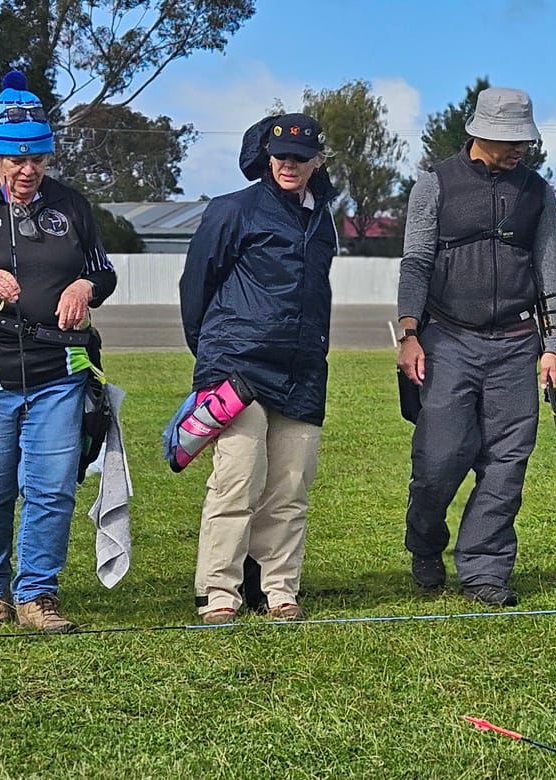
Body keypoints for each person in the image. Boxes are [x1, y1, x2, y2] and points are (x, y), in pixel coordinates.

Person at [0, 71, 117, 633]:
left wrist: (85, 286)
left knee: (52, 488)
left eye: (37, 158)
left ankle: (37, 593)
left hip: (60, 372)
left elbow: (103, 272)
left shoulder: (72, 206)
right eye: (16, 159)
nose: (27, 169)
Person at [396, 87, 556, 608]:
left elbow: (548, 269)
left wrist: (553, 344)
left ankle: (485, 570)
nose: (520, 149)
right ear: (480, 133)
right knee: (439, 459)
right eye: (510, 140)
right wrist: (408, 333)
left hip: (516, 344)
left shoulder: (538, 192)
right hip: (447, 339)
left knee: (506, 462)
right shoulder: (435, 184)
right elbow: (416, 262)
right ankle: (425, 541)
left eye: (524, 140)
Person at [179, 112, 337, 624]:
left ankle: (279, 589)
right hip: (236, 366)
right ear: (266, 157)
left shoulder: (323, 217)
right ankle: (219, 593)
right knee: (238, 479)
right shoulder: (233, 210)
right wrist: (210, 354)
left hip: (303, 369)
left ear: (317, 161)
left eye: (300, 157)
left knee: (291, 487)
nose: (289, 165)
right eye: (281, 156)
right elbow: (196, 285)